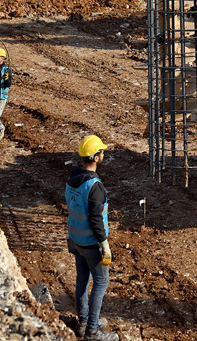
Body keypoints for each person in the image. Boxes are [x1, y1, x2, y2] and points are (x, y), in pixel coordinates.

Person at [66, 135, 118, 341]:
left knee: (82, 278)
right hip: (90, 242)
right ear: (96, 157)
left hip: (75, 238)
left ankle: (84, 320)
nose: (104, 154)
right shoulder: (94, 186)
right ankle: (92, 331)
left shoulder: (73, 177)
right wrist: (104, 244)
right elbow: (96, 220)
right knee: (100, 282)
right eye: (102, 152)